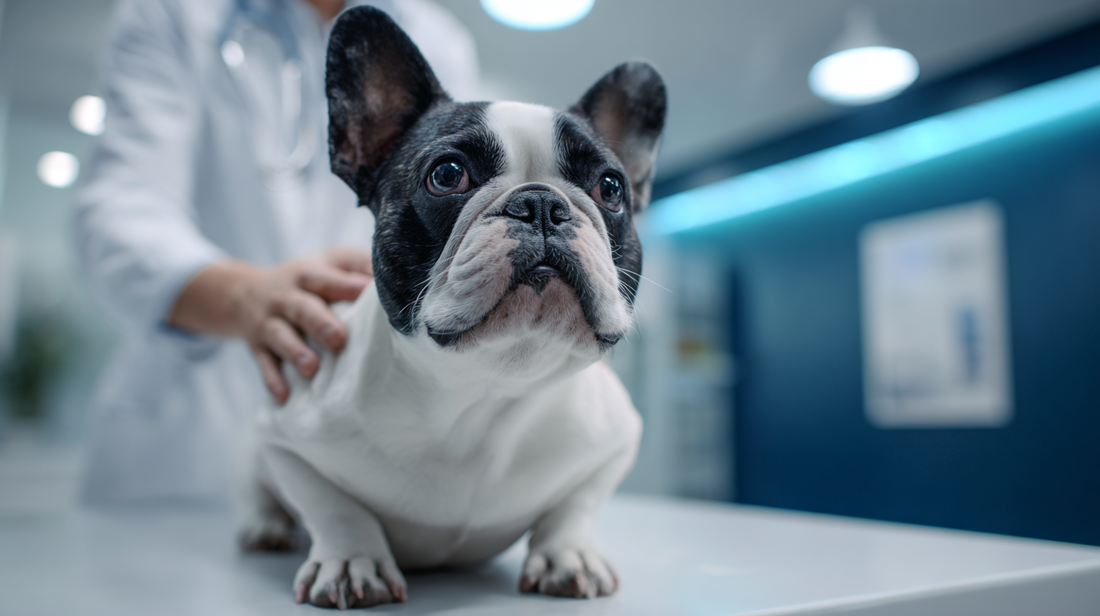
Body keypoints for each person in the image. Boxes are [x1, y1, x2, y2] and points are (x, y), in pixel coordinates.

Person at [73, 0, 478, 505]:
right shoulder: (176, 13)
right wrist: (243, 295)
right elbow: (118, 212)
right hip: (192, 445)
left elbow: (451, 227)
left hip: (371, 438)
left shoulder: (437, 37)